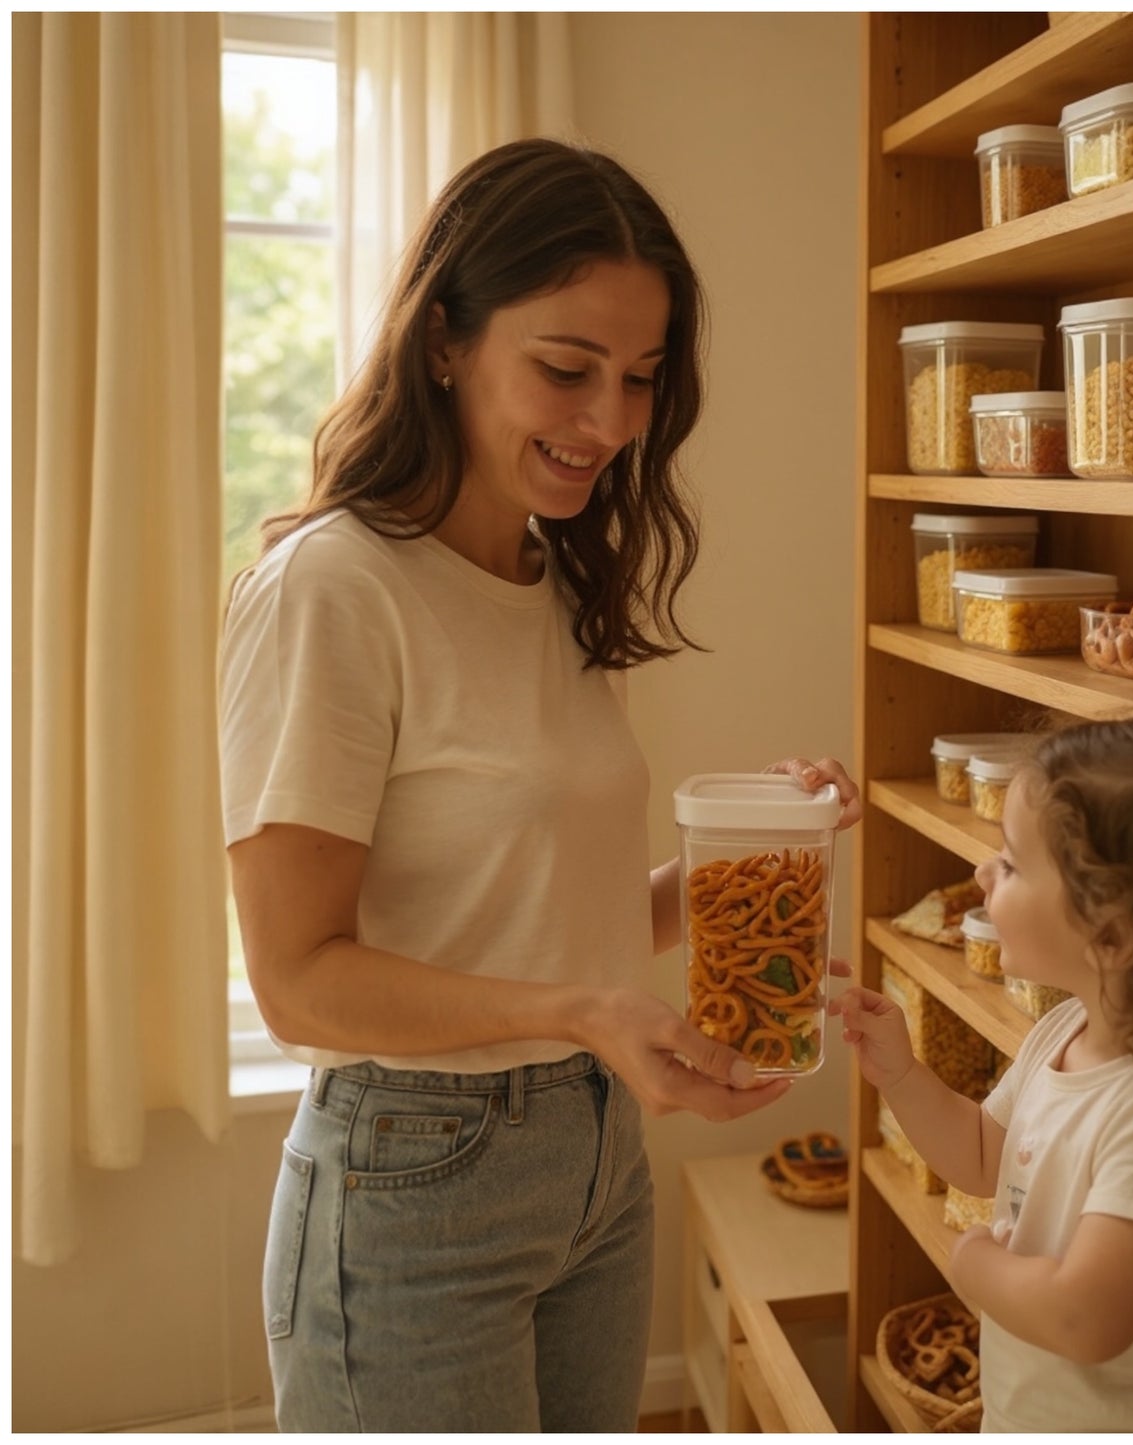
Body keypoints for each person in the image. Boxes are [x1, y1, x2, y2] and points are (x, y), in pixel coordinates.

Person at [219, 137, 860, 1434]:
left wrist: (756, 859)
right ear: (444, 340)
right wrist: (585, 1006)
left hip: (598, 1164)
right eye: (565, 370)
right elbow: (297, 980)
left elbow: (549, 915)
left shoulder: (556, 581)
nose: (612, 423)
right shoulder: (333, 592)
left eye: (640, 378)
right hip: (413, 1180)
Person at [838, 718, 1133, 1432]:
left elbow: (1084, 1316)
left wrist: (973, 1266)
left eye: (1012, 863)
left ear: (1112, 936)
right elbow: (982, 1156)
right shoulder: (1062, 1031)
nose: (980, 873)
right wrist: (900, 1074)